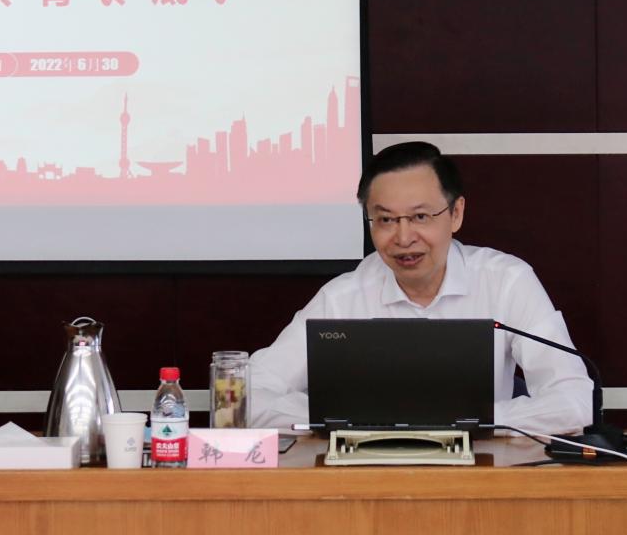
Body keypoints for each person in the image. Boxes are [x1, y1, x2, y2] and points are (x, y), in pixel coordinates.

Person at [248, 141, 593, 434]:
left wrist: (475, 421)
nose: (403, 237)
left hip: (479, 469)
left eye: (420, 217)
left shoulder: (506, 282)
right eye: (385, 219)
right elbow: (250, 397)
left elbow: (574, 399)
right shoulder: (341, 298)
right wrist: (346, 419)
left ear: (456, 213)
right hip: (366, 474)